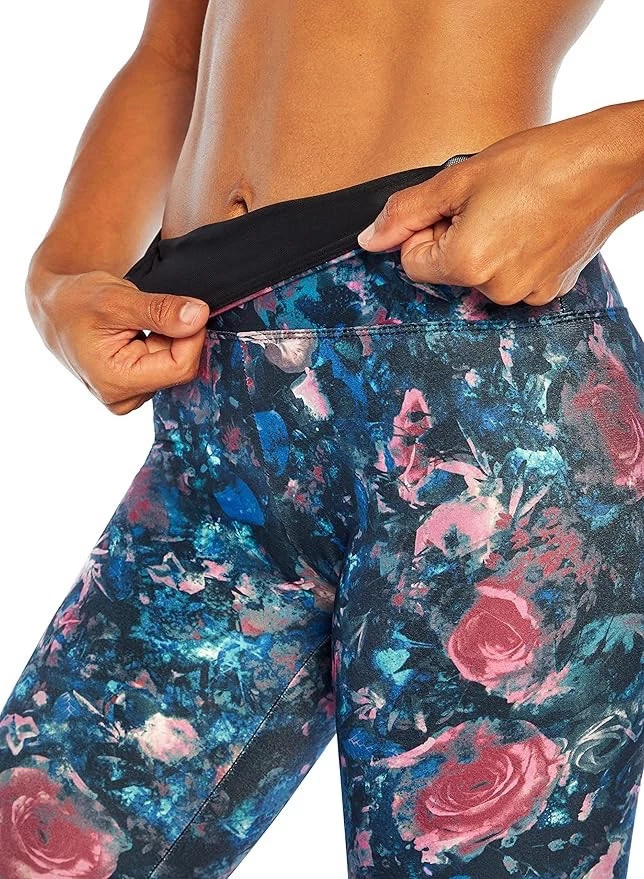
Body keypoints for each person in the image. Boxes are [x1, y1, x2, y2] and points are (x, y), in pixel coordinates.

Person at [1, 2, 643, 877]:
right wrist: (60, 278)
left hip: (485, 417)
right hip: (216, 409)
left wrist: (611, 153)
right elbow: (171, 55)